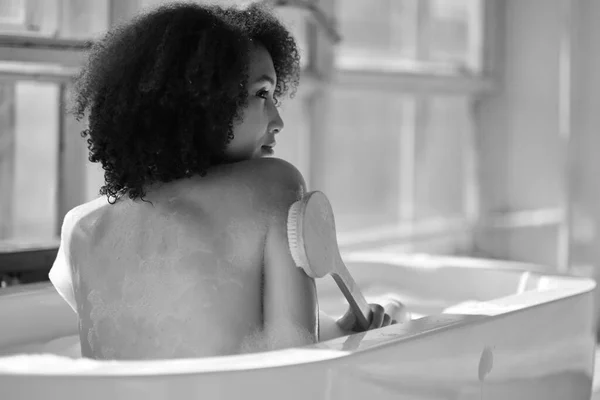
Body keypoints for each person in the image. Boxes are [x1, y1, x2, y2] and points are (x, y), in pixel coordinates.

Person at [48, 2, 401, 360]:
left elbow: (169, 334)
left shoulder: (81, 228)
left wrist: (341, 329)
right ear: (202, 100)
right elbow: (296, 363)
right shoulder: (272, 184)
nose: (278, 120)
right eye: (262, 94)